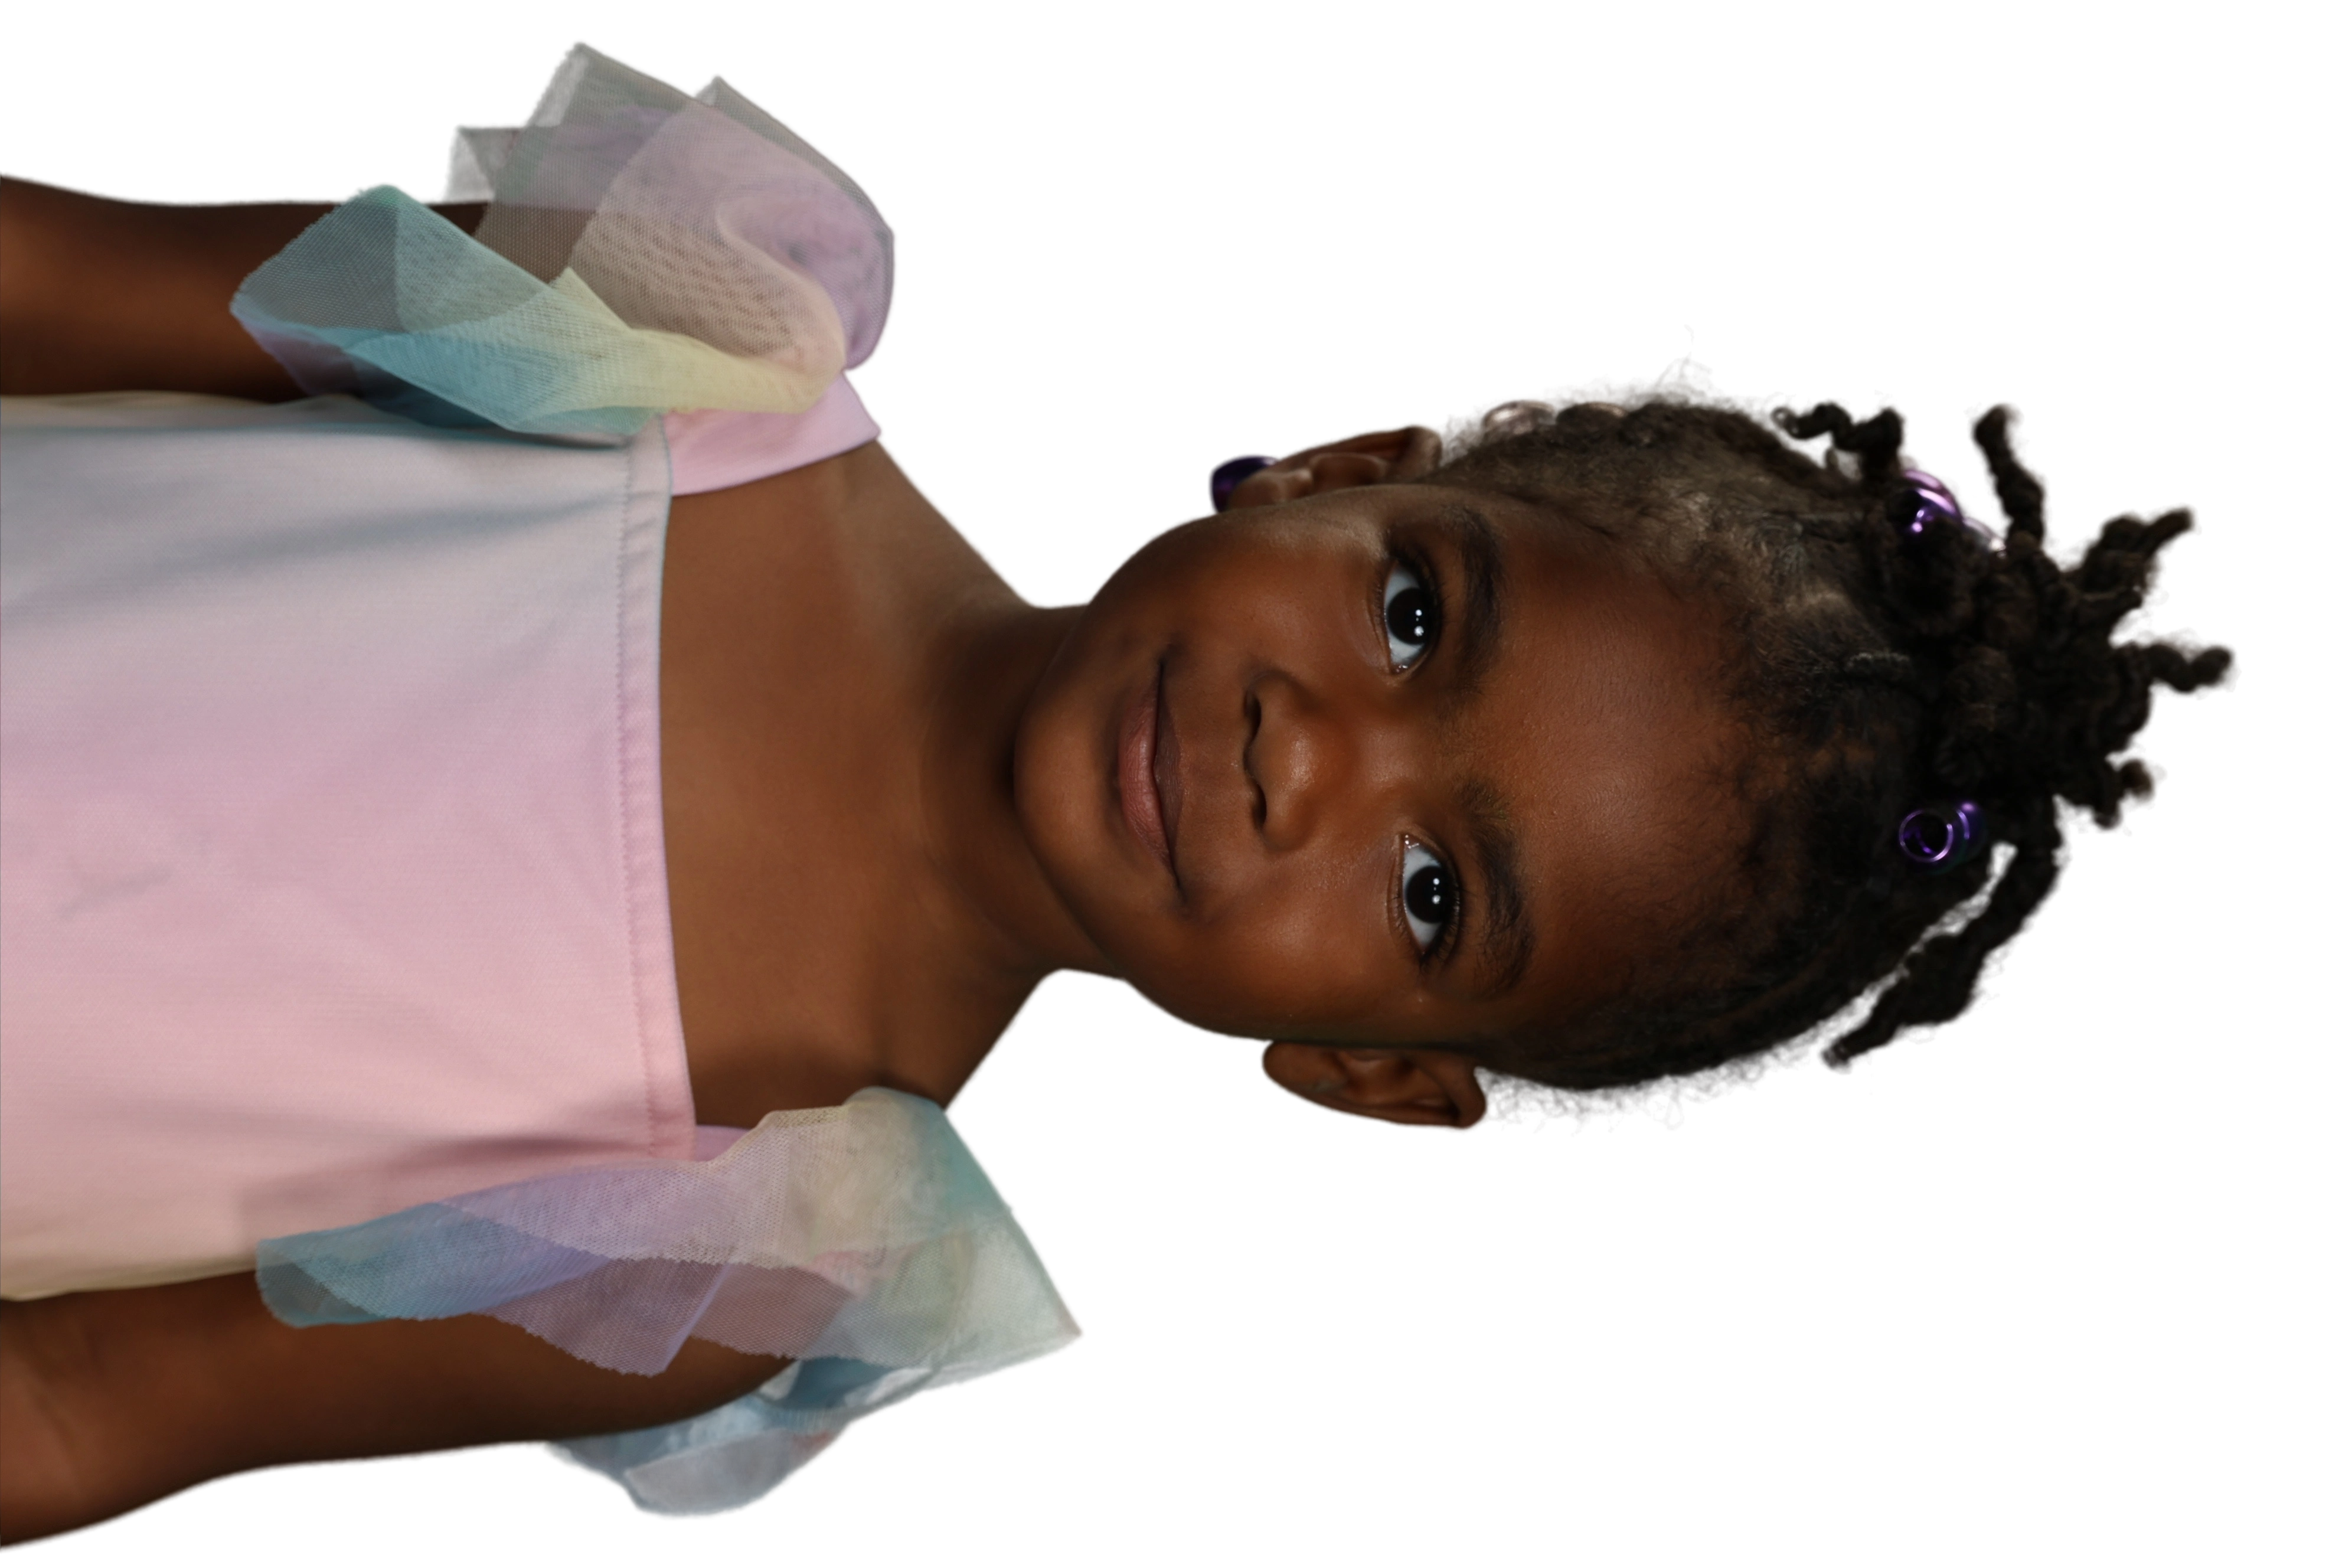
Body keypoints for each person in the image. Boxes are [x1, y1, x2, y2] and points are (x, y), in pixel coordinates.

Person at [0, 40, 2240, 1549]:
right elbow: (50, 280)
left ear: (1385, 1076)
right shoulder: (706, 341)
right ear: (1359, 467)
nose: (1308, 758)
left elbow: (95, 1405)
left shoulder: (769, 1239)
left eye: (1436, 894)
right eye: (1415, 619)